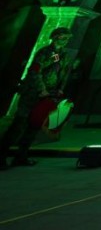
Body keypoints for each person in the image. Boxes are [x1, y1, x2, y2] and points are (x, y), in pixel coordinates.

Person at [0, 27, 75, 170]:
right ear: (55, 37)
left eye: (67, 38)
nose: (65, 41)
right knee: (19, 124)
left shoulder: (60, 54)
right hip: (33, 93)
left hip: (48, 95)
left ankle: (21, 156)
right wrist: (42, 89)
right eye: (62, 38)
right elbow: (35, 71)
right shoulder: (44, 52)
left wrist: (59, 88)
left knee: (34, 126)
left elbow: (60, 71)